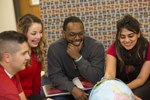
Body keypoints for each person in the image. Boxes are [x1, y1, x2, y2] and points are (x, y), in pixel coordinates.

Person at [47, 16, 105, 100]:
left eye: (80, 34)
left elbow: (97, 77)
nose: (77, 38)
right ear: (64, 33)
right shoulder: (54, 48)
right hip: (66, 87)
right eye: (72, 35)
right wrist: (72, 89)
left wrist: (78, 58)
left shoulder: (96, 46)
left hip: (89, 87)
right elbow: (55, 76)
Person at [104, 14, 150, 99]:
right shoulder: (113, 48)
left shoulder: (148, 48)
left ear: (138, 34)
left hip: (144, 83)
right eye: (122, 37)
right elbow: (110, 73)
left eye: (131, 36)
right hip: (121, 83)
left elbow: (141, 78)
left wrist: (122, 88)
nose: (127, 40)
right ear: (118, 36)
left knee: (132, 96)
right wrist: (106, 82)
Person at [17, 14, 47, 100]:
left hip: (30, 94)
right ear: (23, 34)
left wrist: (38, 98)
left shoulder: (37, 52)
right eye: (34, 33)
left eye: (40, 32)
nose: (39, 36)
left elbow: (36, 80)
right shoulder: (15, 54)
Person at [0, 31, 30, 100]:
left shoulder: (13, 71)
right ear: (7, 57)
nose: (28, 57)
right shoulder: (6, 90)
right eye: (23, 53)